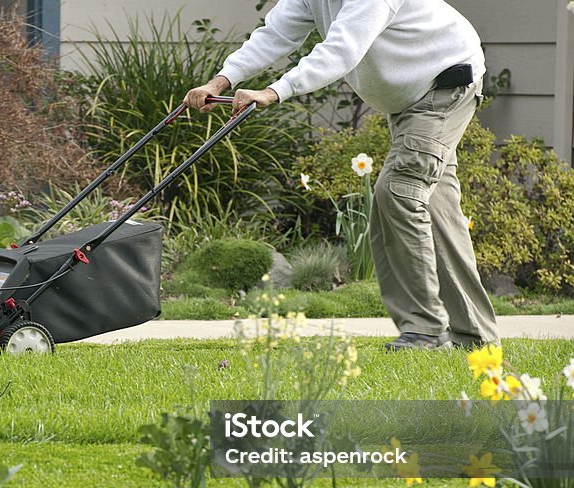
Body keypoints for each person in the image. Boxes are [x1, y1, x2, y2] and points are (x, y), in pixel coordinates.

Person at [185, 0, 499, 350]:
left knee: (399, 192)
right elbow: (274, 34)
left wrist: (274, 91)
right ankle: (477, 339)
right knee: (436, 209)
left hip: (445, 83)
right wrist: (221, 80)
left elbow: (342, 50)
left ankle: (426, 330)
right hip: (412, 95)